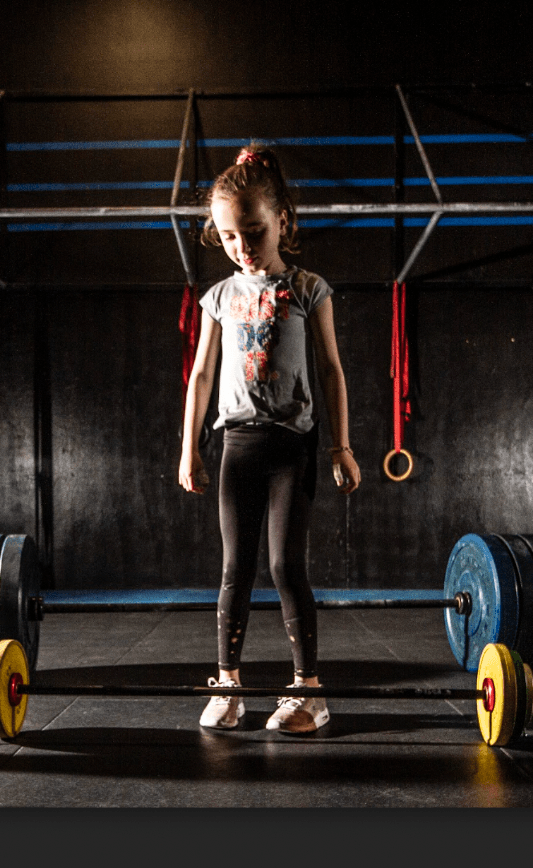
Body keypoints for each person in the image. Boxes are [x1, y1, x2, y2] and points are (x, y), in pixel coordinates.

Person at [179, 144, 360, 734]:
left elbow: (331, 368)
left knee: (286, 565)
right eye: (229, 237)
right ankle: (228, 686)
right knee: (237, 566)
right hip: (237, 445)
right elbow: (201, 374)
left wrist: (340, 446)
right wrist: (189, 449)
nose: (242, 247)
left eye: (253, 232)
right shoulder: (220, 297)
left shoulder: (310, 288)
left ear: (282, 220)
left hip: (293, 446)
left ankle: (309, 692)